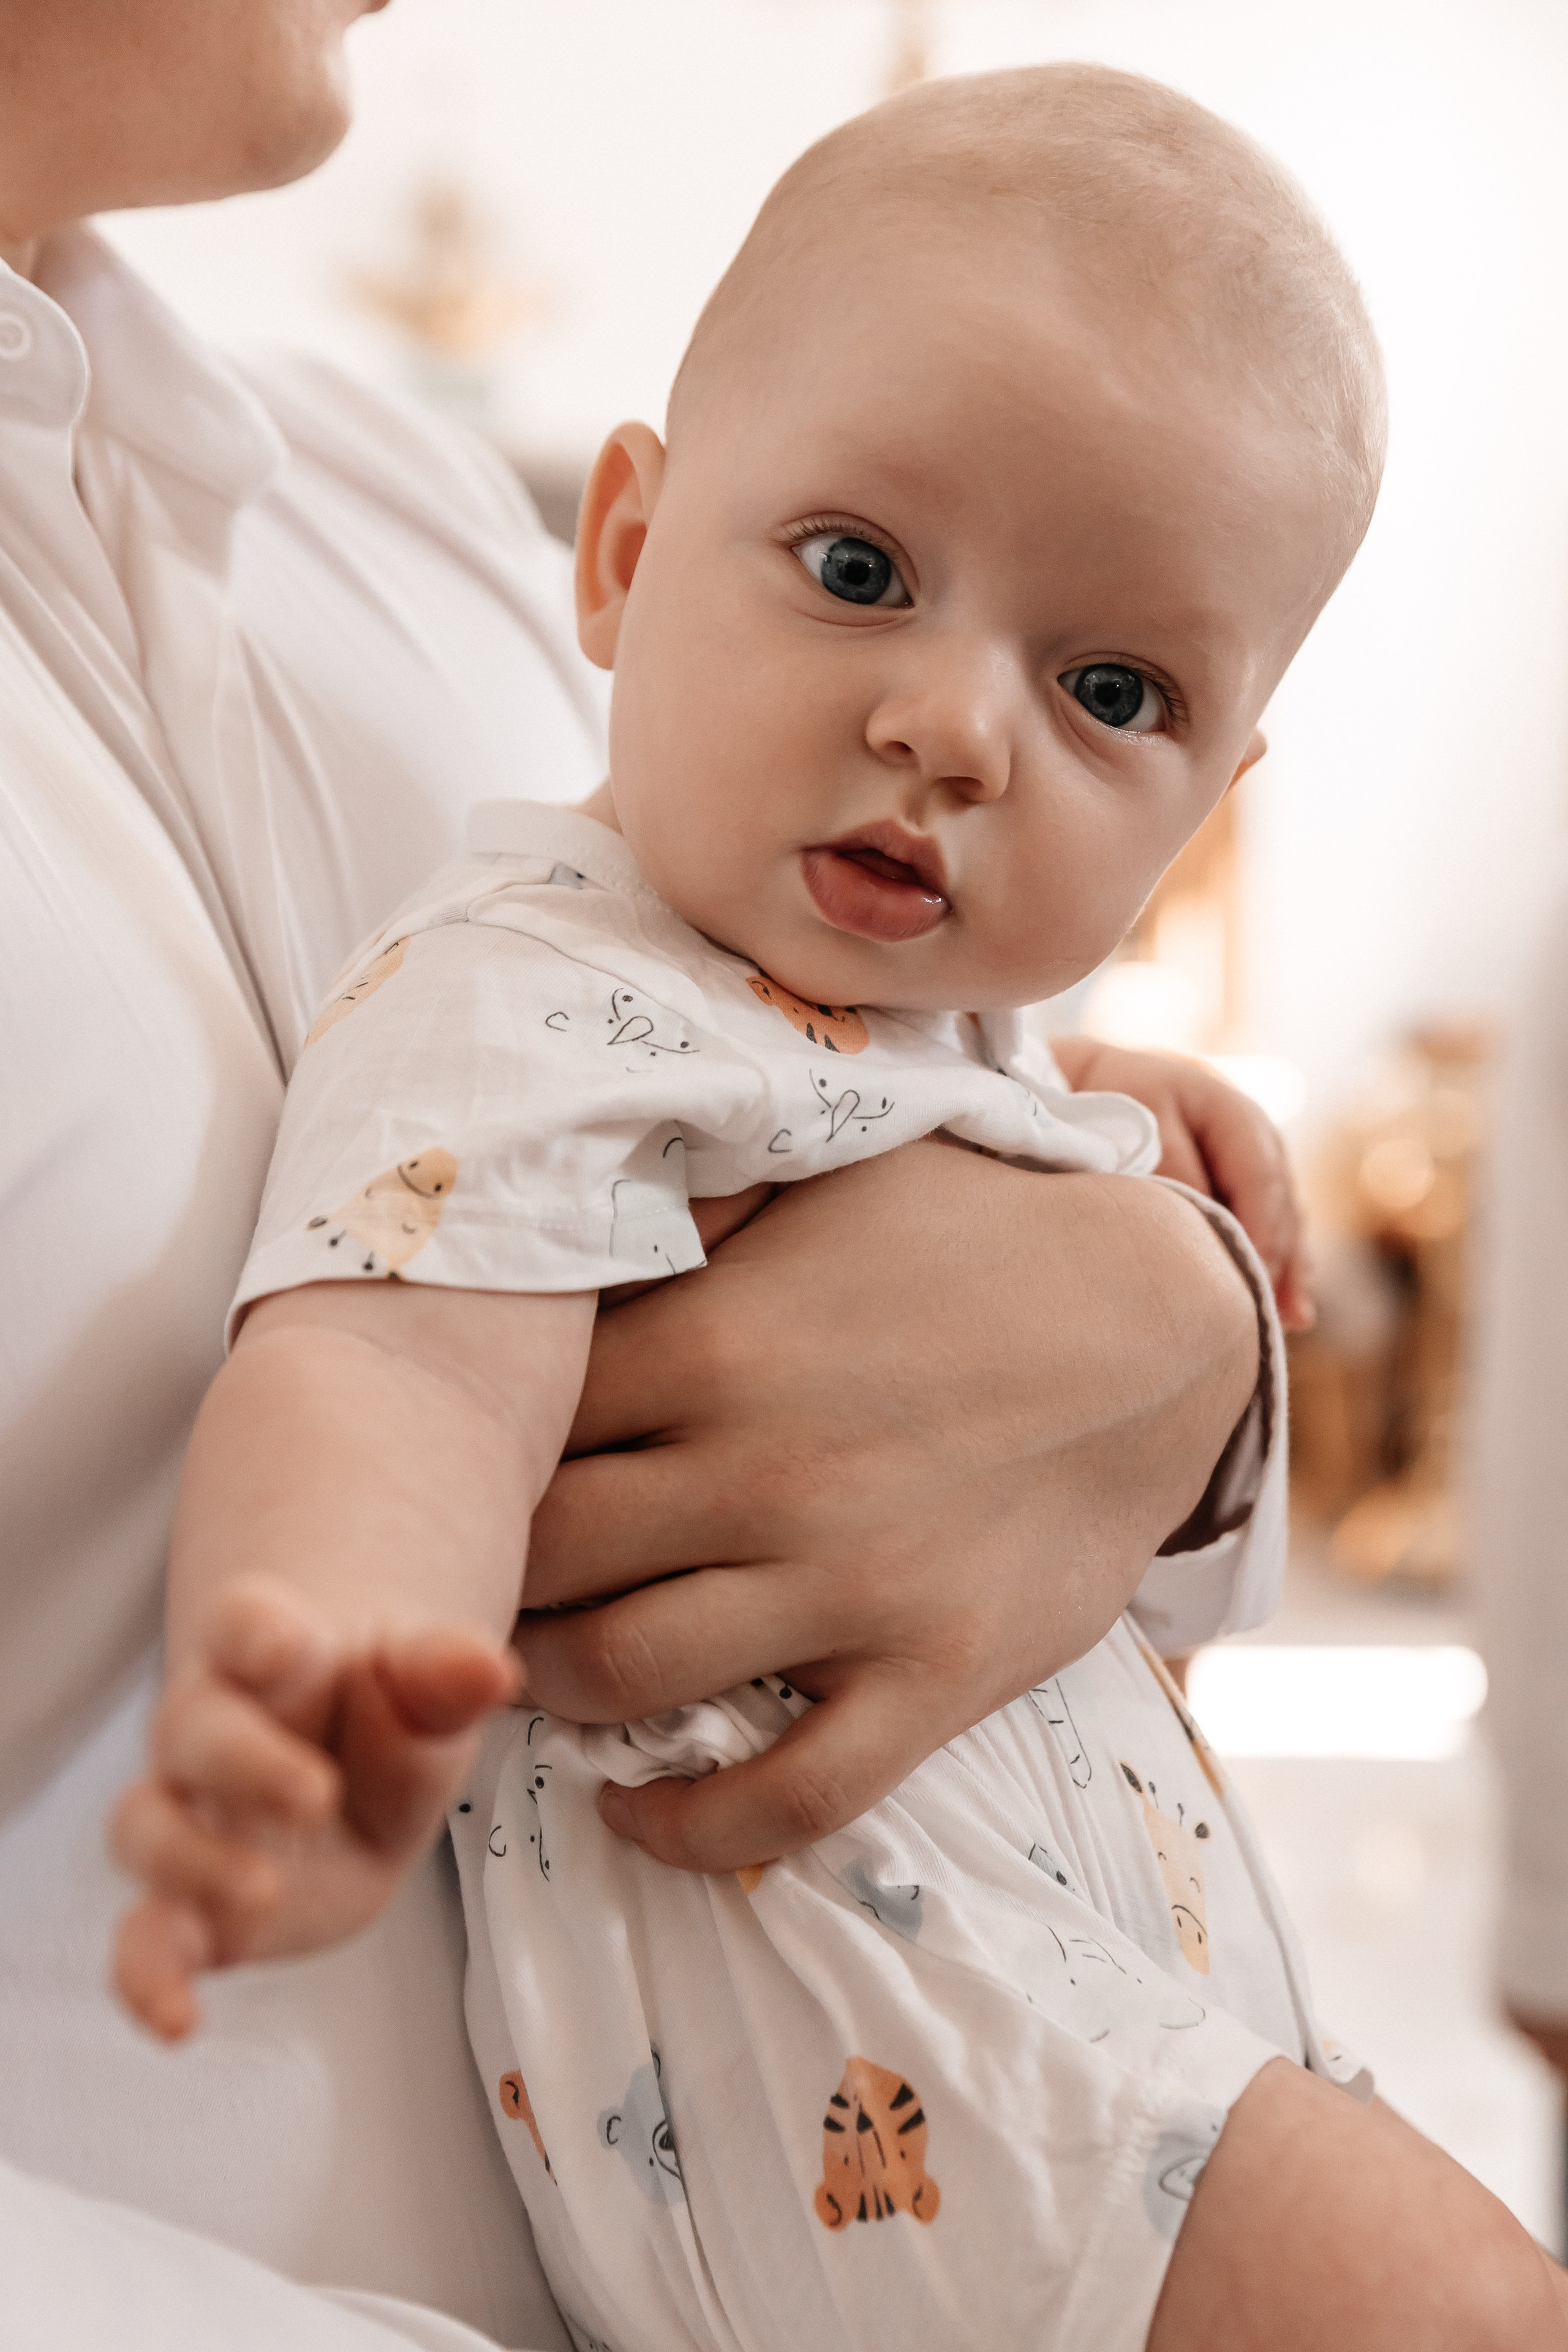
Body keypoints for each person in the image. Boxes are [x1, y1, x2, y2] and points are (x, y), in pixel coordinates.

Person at [107, 62, 1568, 2352]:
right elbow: (394, 1356)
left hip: (1094, 2018)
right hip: (891, 2054)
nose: (960, 728)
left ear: (1214, 794)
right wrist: (315, 1678)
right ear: (620, 554)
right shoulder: (530, 995)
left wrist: (1099, 1122)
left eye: (1115, 692)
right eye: (862, 574)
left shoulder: (941, 1031)